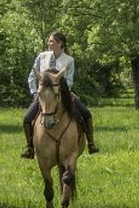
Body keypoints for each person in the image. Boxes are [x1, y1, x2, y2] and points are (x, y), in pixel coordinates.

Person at [20, 30, 97, 158]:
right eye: (49, 41)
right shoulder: (41, 56)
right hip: (44, 96)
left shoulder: (69, 60)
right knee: (27, 119)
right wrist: (35, 93)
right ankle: (30, 148)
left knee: (86, 113)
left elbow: (69, 80)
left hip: (63, 95)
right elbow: (32, 76)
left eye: (51, 41)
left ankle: (91, 143)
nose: (49, 43)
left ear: (60, 43)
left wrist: (65, 93)